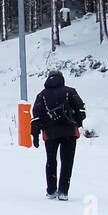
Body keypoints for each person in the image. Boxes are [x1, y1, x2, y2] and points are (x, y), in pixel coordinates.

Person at [30, 70, 86, 200]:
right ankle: (63, 192)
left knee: (51, 161)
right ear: (62, 79)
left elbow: (36, 117)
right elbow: (81, 110)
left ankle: (51, 190)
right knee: (67, 162)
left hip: (50, 133)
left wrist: (35, 135)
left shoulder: (42, 95)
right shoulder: (70, 91)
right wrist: (80, 125)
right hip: (69, 132)